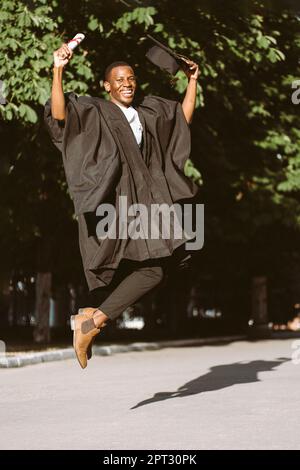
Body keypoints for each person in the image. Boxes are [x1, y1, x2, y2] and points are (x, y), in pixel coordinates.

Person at [44, 41, 200, 369]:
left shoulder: (147, 110)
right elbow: (60, 115)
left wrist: (192, 81)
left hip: (146, 202)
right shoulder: (95, 109)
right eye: (119, 79)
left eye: (130, 78)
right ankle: (91, 321)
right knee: (147, 269)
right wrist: (58, 69)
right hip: (115, 202)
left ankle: (90, 316)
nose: (126, 83)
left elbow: (181, 120)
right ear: (106, 86)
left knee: (155, 267)